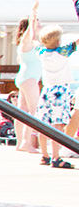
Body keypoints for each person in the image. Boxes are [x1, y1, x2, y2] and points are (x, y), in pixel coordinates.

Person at [36, 24, 77, 168]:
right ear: (58, 41)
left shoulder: (41, 53)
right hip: (61, 91)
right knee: (57, 125)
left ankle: (44, 155)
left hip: (46, 90)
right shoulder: (63, 52)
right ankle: (56, 157)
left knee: (44, 123)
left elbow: (37, 42)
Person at [14, 5, 42, 152]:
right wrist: (33, 14)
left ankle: (20, 142)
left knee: (22, 112)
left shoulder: (29, 44)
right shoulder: (27, 42)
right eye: (38, 22)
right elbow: (29, 32)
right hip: (29, 79)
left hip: (26, 78)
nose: (40, 24)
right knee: (33, 112)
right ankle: (26, 142)